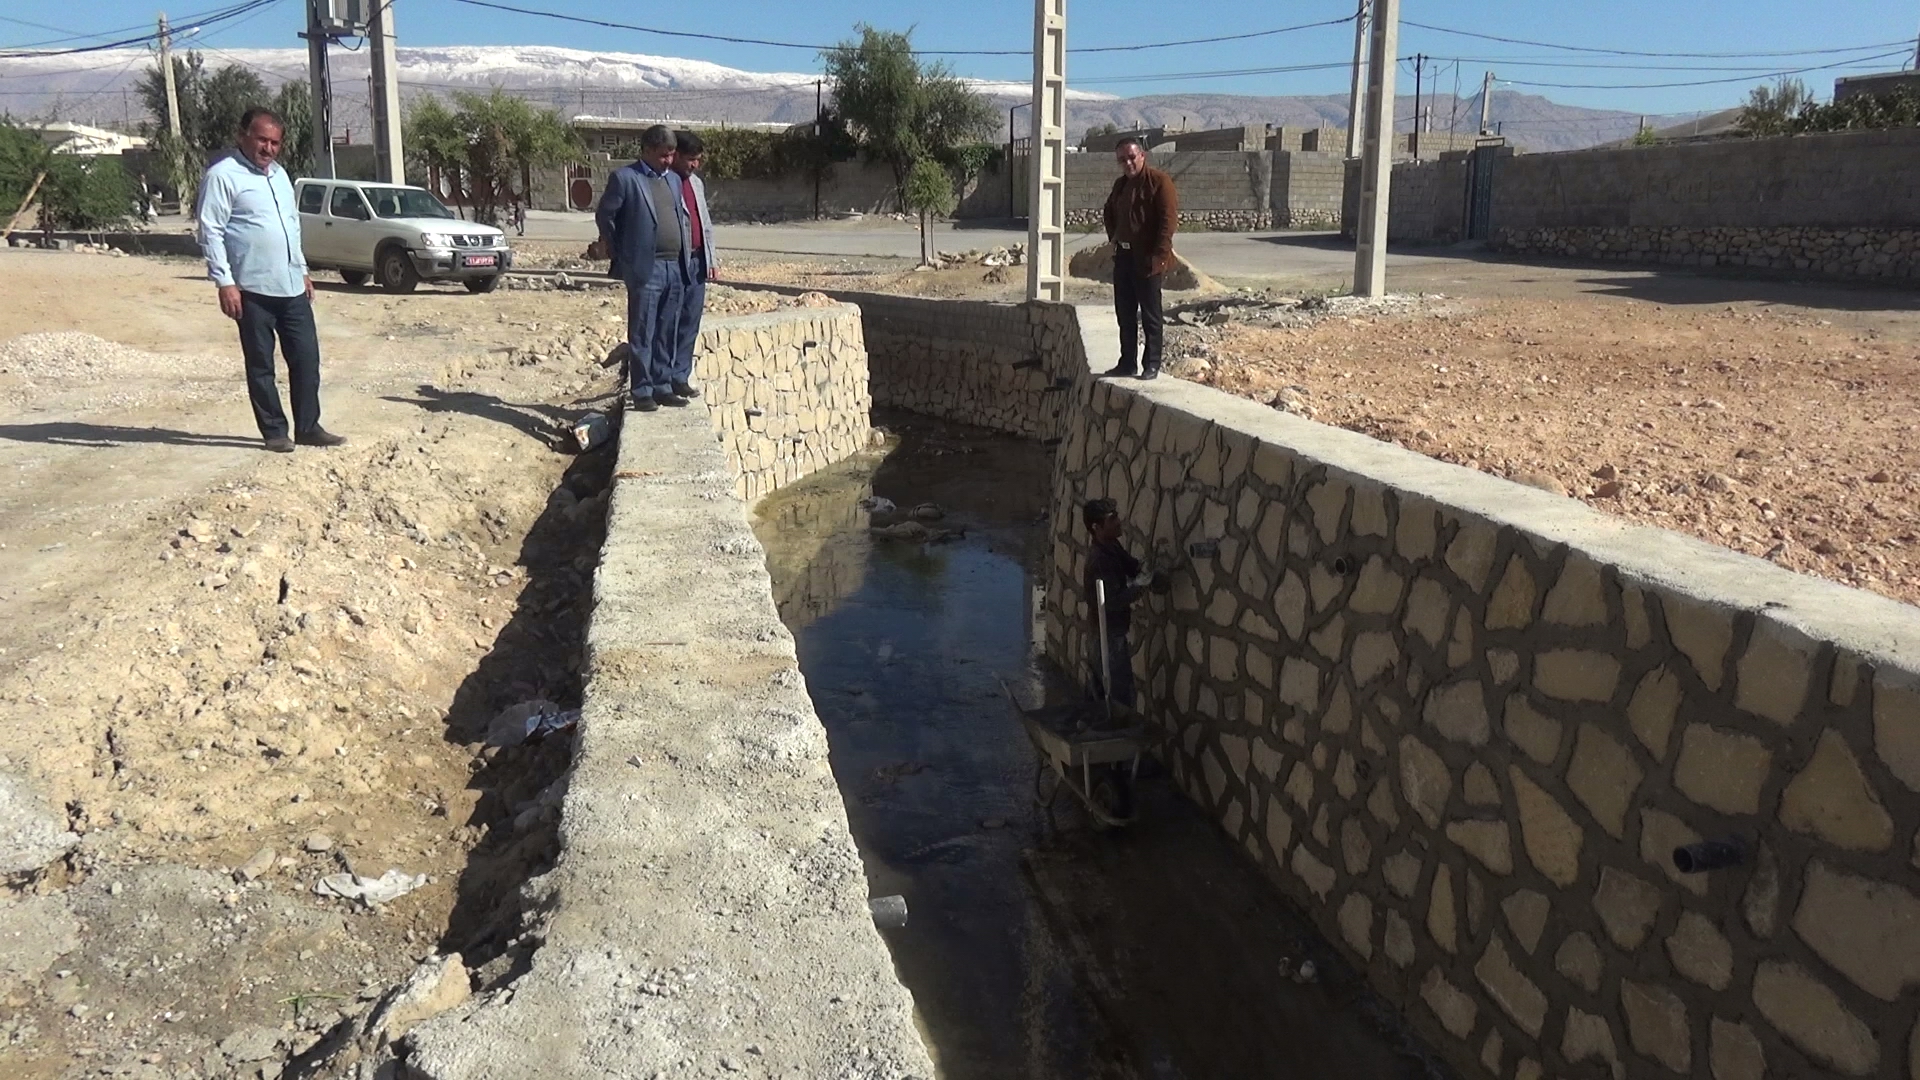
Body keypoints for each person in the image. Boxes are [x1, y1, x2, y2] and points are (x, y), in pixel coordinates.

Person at [197, 107, 345, 453]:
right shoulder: (223, 176)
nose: (269, 148)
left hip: (292, 286)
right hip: (251, 289)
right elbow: (211, 231)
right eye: (262, 139)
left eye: (275, 142)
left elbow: (291, 227)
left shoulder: (279, 174)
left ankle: (308, 426)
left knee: (306, 359)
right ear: (242, 136)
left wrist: (303, 269)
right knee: (261, 365)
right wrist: (225, 282)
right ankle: (275, 431)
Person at [594, 124, 694, 413]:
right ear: (647, 150)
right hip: (645, 268)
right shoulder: (625, 179)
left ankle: (663, 385)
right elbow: (606, 216)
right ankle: (642, 390)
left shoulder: (674, 180)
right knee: (643, 331)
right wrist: (621, 251)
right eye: (664, 155)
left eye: (672, 154)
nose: (668, 160)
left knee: (667, 328)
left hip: (674, 266)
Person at [1100, 136, 1178, 380]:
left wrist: (1159, 256)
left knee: (1150, 314)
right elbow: (1108, 211)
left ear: (1142, 156)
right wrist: (1114, 238)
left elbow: (1168, 222)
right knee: (1125, 312)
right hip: (1123, 257)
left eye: (1132, 157)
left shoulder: (1159, 182)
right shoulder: (1120, 185)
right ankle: (1127, 362)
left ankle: (1152, 364)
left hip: (1147, 258)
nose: (1128, 163)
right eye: (1122, 160)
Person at [1081, 498, 1154, 708]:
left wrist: (1145, 571)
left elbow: (1130, 566)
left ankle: (1093, 731)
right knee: (1119, 695)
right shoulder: (1098, 560)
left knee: (1101, 693)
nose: (1118, 522)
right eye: (1112, 519)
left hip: (1109, 632)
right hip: (1105, 635)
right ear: (1096, 527)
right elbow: (1112, 602)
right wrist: (1140, 586)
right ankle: (1114, 737)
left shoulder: (1111, 545)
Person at [669, 130, 719, 403]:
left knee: (690, 320)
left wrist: (712, 259)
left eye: (698, 160)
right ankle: (663, 377)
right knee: (670, 321)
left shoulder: (696, 184)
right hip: (675, 261)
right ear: (676, 156)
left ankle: (681, 376)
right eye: (691, 159)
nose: (695, 165)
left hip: (698, 261)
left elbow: (705, 224)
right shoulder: (666, 183)